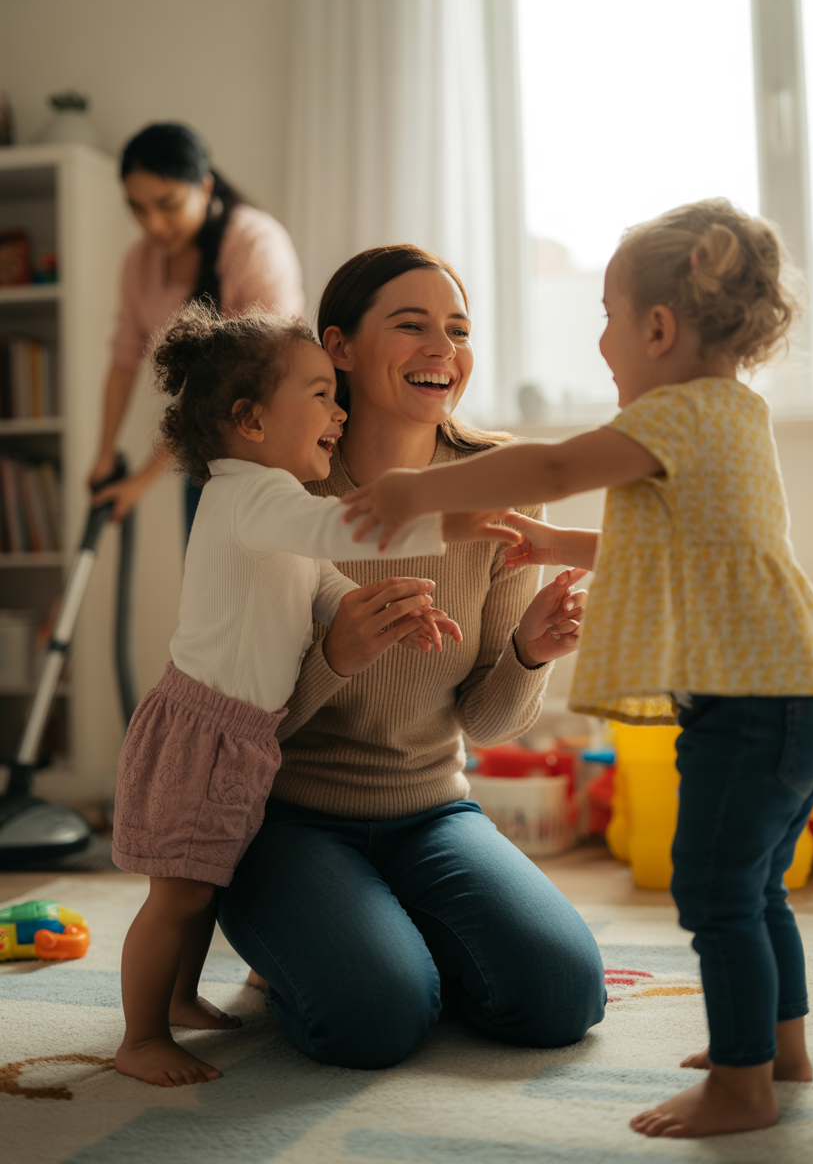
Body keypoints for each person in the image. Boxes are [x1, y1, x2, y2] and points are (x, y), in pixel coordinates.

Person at [342, 201, 813, 1137]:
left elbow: (560, 459)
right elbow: (679, 541)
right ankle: (780, 1045)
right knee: (759, 886)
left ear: (658, 327)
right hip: (794, 695)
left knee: (716, 890)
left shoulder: (675, 411)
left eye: (606, 317)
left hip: (751, 705)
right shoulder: (733, 414)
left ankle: (742, 1083)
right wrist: (547, 541)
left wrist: (419, 490)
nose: (601, 338)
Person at [217, 244, 607, 1072]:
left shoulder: (497, 485)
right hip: (287, 819)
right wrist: (336, 655)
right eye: (412, 325)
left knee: (560, 998)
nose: (444, 349)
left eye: (458, 330)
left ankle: (375, 931)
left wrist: (530, 655)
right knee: (375, 1022)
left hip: (432, 811)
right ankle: (319, 941)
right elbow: (234, 720)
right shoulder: (283, 493)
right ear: (340, 349)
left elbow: (487, 725)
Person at [111, 302, 512, 1088]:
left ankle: (184, 995)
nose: (339, 412)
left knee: (205, 876)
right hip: (206, 731)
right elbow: (346, 535)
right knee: (180, 890)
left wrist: (391, 605)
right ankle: (140, 1035)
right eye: (322, 395)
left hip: (243, 731)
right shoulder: (251, 495)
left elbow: (322, 578)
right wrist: (455, 521)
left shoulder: (271, 503)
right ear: (250, 420)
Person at [89, 122, 305, 536]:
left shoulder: (253, 244)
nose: (152, 223)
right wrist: (104, 455)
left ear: (204, 188)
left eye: (167, 204)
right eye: (137, 207)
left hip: (268, 441)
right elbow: (123, 357)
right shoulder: (140, 263)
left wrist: (140, 481)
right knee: (207, 584)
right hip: (206, 450)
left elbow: (237, 376)